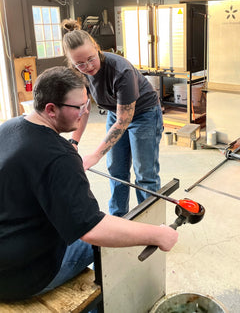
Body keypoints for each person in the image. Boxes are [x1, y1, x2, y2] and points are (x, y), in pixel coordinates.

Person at [0, 66, 178, 301]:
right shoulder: (59, 157)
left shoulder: (8, 128)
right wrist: (158, 235)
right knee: (107, 243)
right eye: (79, 107)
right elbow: (92, 229)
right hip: (21, 276)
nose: (86, 111)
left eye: (87, 103)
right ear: (51, 109)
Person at [62, 19, 164, 217]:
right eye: (80, 63)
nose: (88, 66)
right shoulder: (79, 73)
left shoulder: (120, 70)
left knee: (144, 174)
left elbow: (123, 122)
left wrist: (95, 154)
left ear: (97, 48)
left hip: (143, 114)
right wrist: (74, 141)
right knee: (116, 170)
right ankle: (119, 218)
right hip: (115, 112)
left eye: (91, 59)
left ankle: (150, 223)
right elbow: (83, 108)